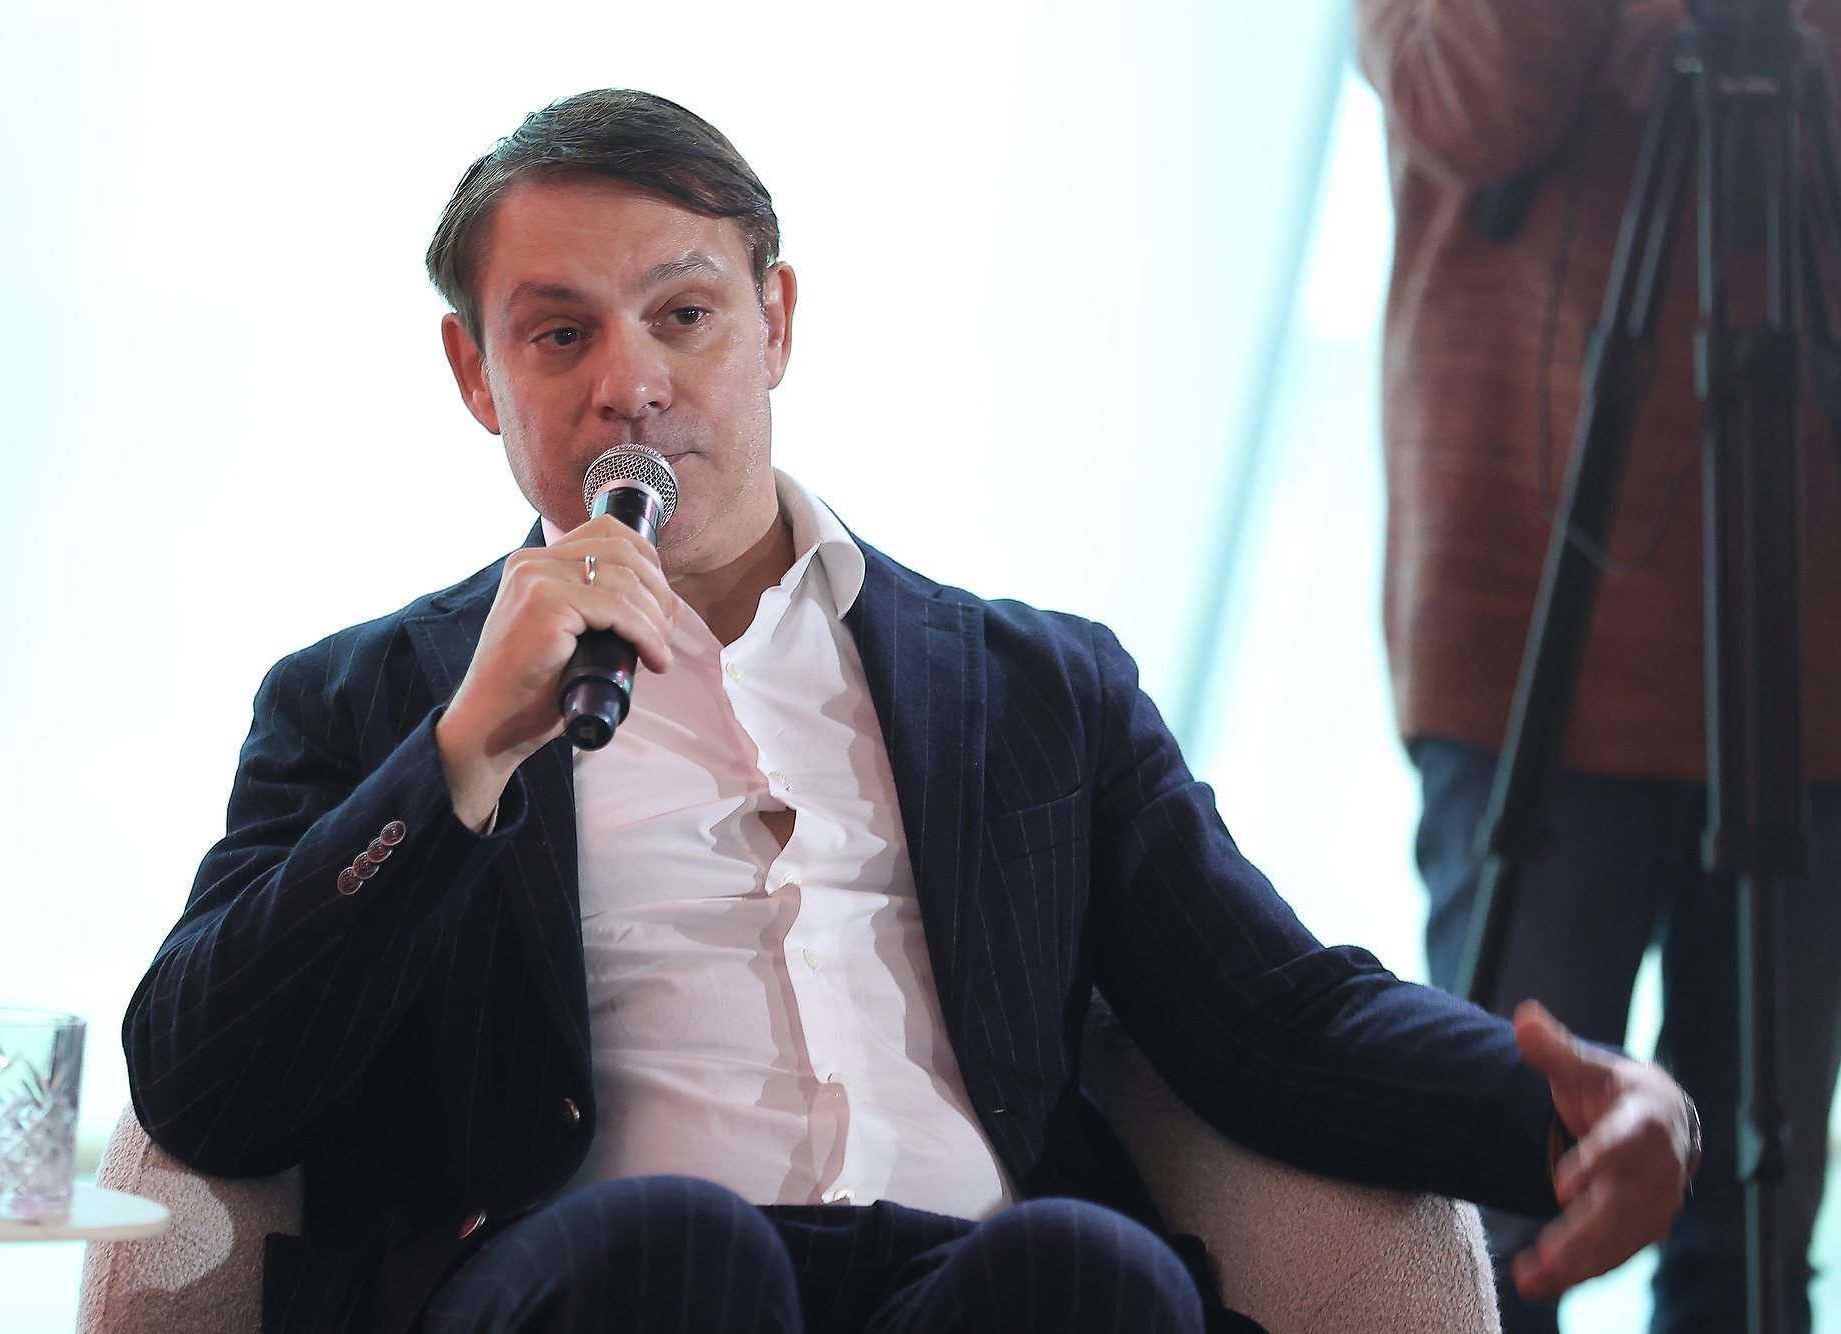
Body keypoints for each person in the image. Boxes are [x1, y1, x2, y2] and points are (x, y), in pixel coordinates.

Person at [123, 89, 1699, 1334]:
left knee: (1093, 1272)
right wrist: (461, 757)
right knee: (675, 1249)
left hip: (964, 1272)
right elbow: (205, 1084)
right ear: (478, 375)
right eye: (560, 334)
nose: (632, 384)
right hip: (594, 1275)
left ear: (777, 321)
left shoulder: (1037, 686)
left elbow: (1268, 1014)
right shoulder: (369, 701)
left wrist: (1565, 1107)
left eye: (685, 315)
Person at [1360, 3, 1841, 1331]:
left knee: (1756, 1241)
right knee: (1489, 1225)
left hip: (1806, 652)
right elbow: (1468, 101)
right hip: (1529, 631)